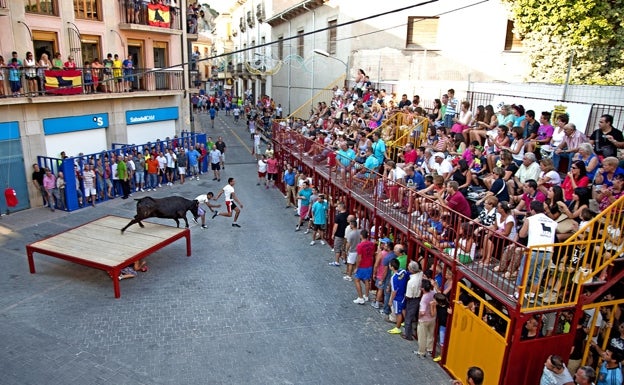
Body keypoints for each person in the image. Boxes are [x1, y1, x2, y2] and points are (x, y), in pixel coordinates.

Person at [515, 201, 558, 301]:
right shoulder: (553, 222)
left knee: (524, 272)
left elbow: (522, 235)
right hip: (548, 252)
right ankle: (532, 294)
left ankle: (518, 293)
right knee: (539, 274)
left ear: (532, 210)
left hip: (533, 250)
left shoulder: (530, 219)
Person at [352, 229, 375, 304]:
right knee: (366, 280)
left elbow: (359, 258)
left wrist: (356, 267)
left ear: (361, 236)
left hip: (362, 266)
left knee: (357, 280)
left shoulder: (360, 245)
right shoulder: (371, 244)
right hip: (369, 265)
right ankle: (366, 296)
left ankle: (360, 297)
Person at [386, 258, 409, 334]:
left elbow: (394, 291)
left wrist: (390, 301)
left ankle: (397, 327)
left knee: (398, 313)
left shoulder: (393, 278)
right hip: (404, 294)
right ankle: (405, 322)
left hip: (397, 298)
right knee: (403, 309)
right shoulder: (403, 271)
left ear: (392, 267)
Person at [402, 260, 423, 341]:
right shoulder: (420, 274)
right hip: (418, 298)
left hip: (412, 300)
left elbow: (408, 296)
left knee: (408, 317)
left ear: (411, 270)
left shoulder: (411, 282)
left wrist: (404, 297)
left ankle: (408, 335)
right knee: (413, 316)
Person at [416, 278, 436, 359]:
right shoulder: (433, 293)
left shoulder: (424, 298)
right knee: (430, 335)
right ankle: (430, 349)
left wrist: (419, 318)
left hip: (424, 320)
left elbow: (422, 312)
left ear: (423, 289)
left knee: (422, 337)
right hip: (432, 318)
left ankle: (421, 352)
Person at [330, 202, 349, 266]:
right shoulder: (348, 215)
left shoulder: (338, 216)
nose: (337, 208)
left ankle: (337, 261)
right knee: (344, 248)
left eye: (338, 207)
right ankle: (344, 259)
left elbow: (335, 226)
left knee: (337, 248)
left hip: (339, 235)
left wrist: (333, 234)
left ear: (341, 207)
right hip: (346, 235)